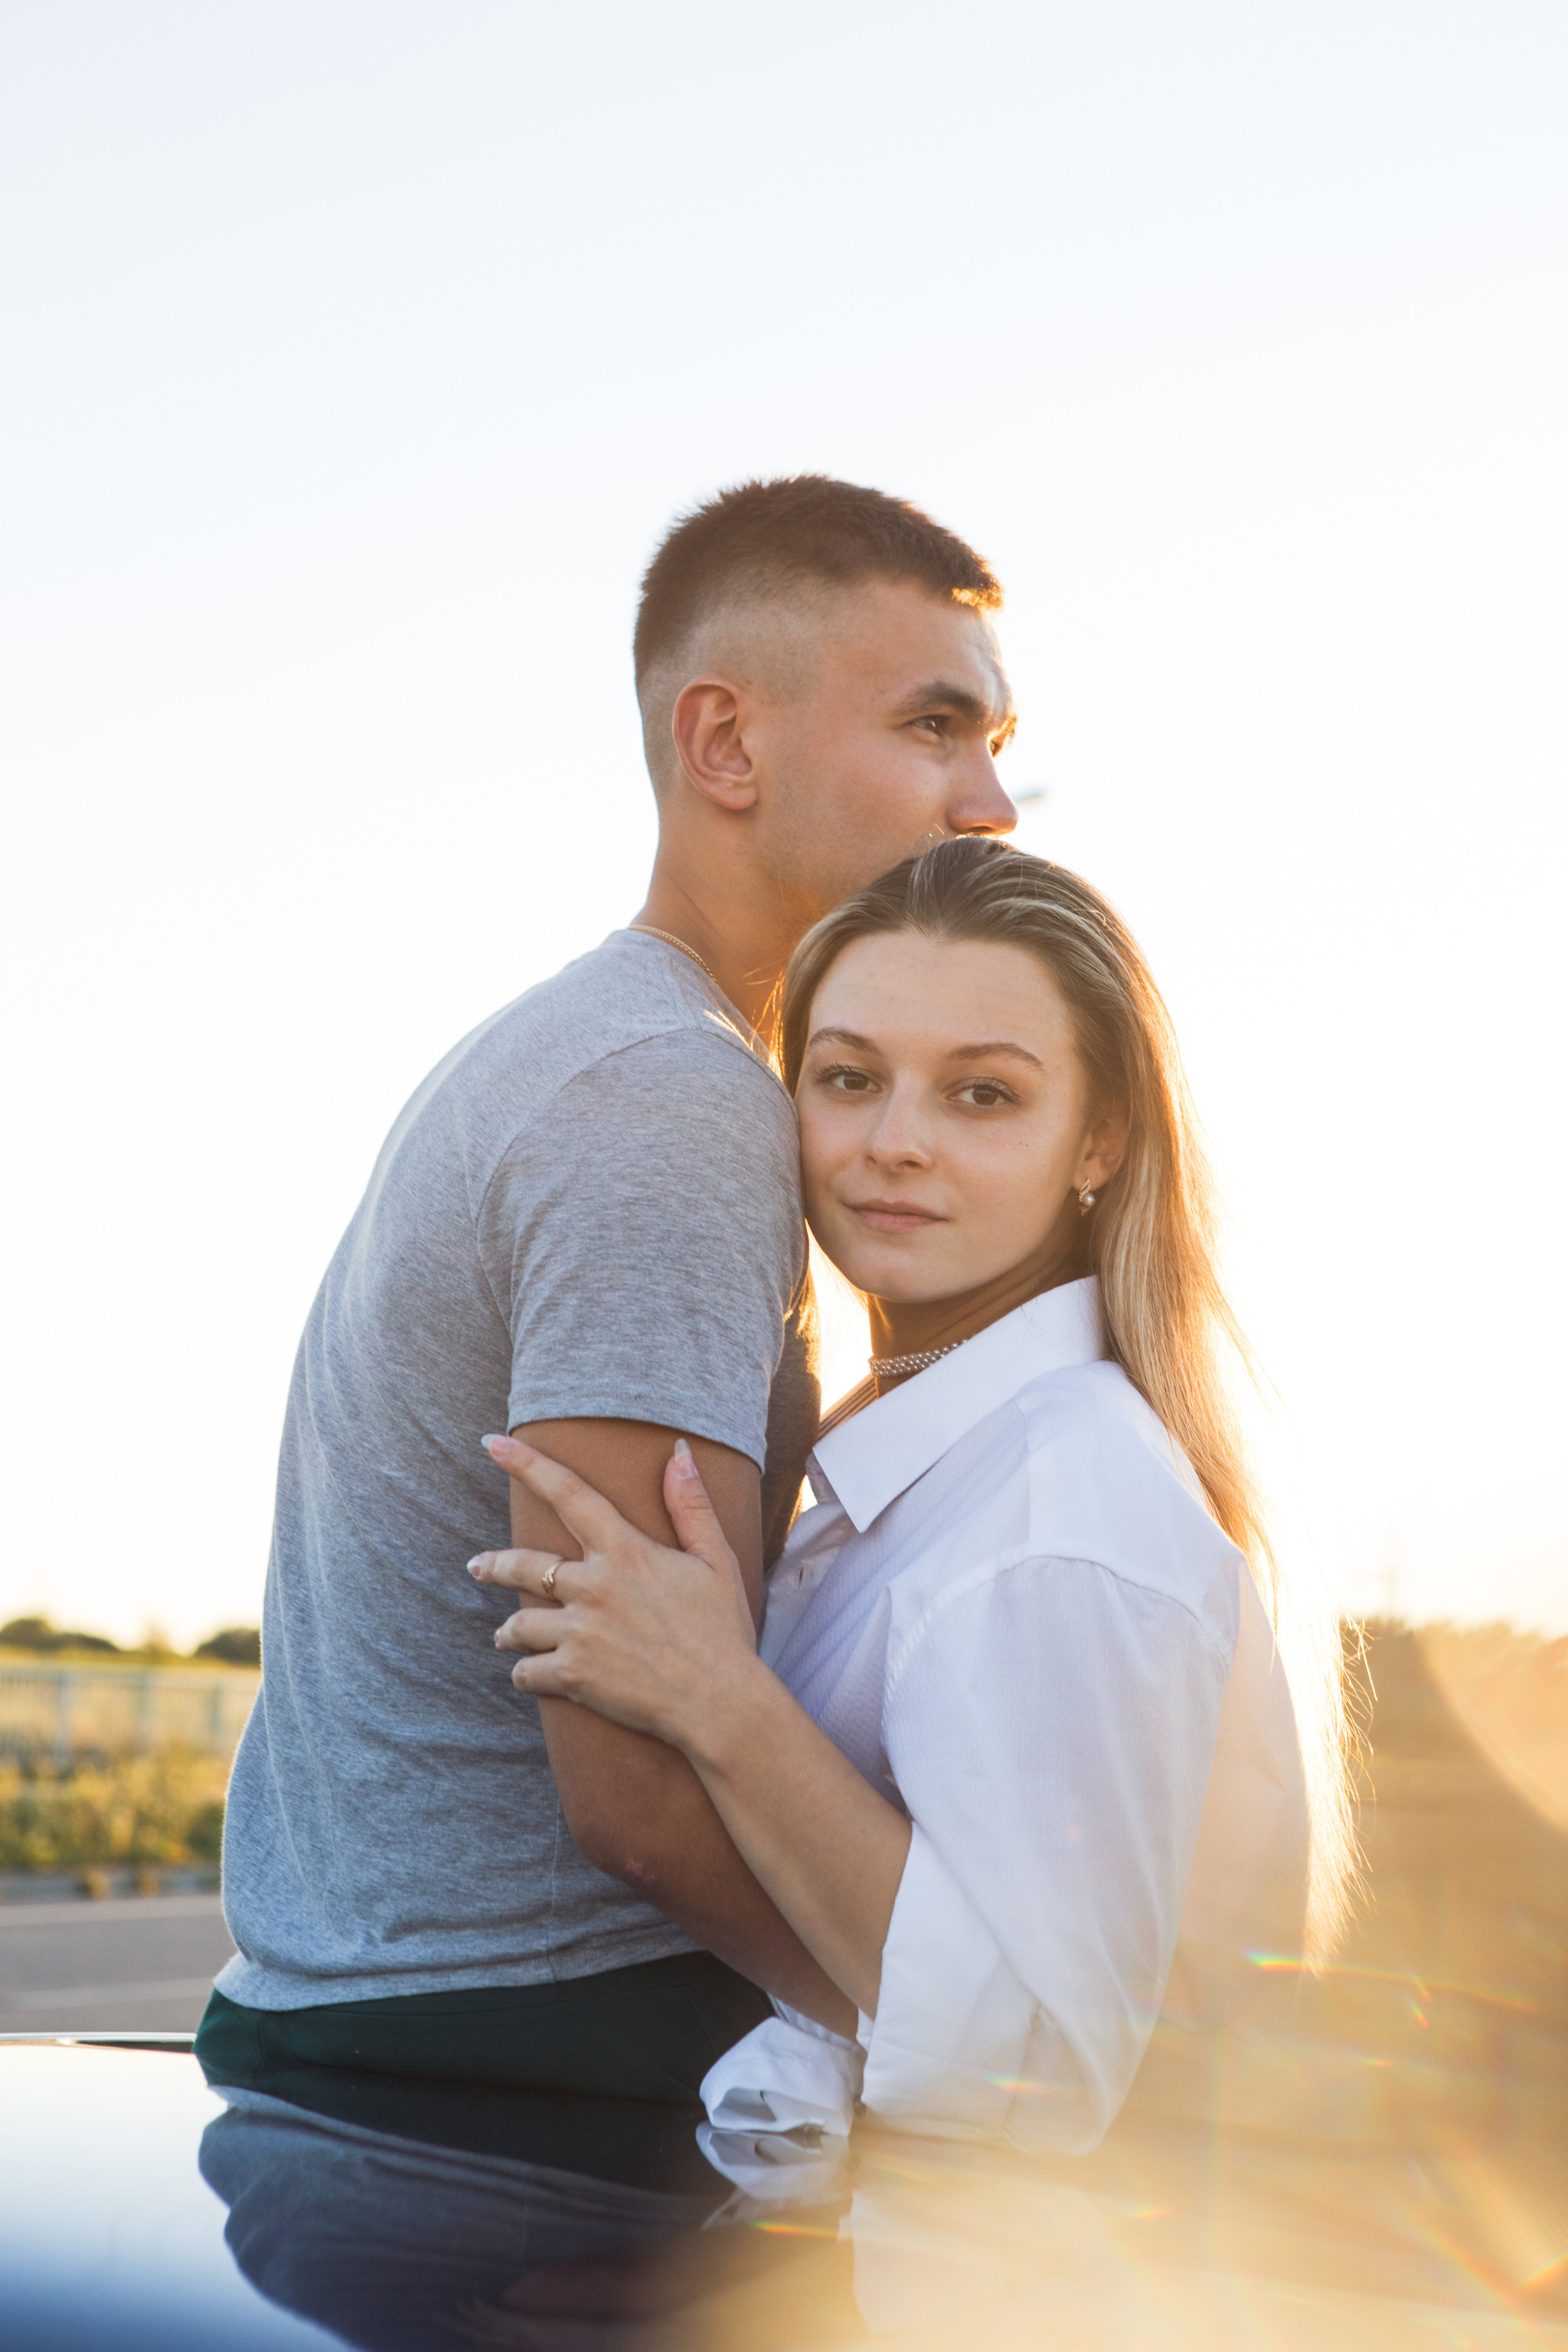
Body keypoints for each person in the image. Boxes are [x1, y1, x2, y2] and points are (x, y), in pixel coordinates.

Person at [196, 477, 1019, 2102]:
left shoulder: (618, 1054)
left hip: (416, 2027)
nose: (990, 802)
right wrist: (956, 2060)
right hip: (526, 2057)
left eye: (993, 741)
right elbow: (640, 1796)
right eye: (934, 727)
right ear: (724, 745)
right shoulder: (664, 1101)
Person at [470, 838, 1357, 2151]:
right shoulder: (928, 1454)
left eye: (982, 1095)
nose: (894, 1144)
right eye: (847, 1078)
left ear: (1100, 1137)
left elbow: (1044, 2074)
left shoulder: (1063, 1509)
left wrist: (719, 1699)